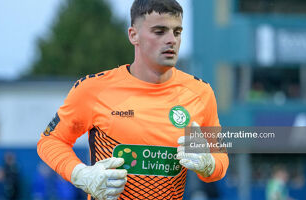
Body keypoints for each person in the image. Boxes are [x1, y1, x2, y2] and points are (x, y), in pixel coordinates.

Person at [37, 0, 229, 199]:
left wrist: (209, 164)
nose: (171, 39)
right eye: (159, 31)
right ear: (133, 35)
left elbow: (220, 159)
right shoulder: (93, 89)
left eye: (177, 32)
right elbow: (50, 141)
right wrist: (80, 174)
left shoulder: (200, 93)